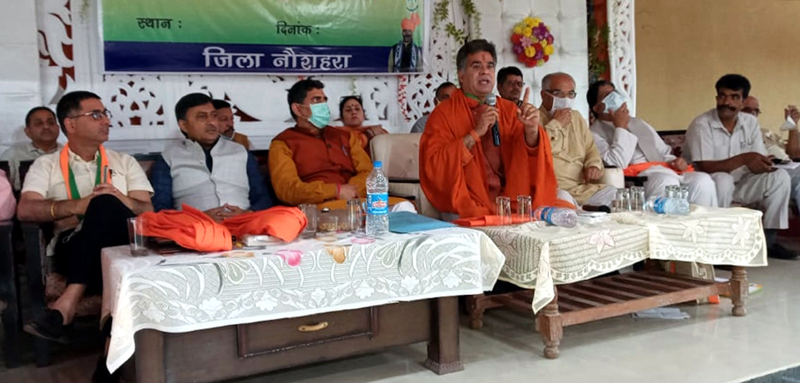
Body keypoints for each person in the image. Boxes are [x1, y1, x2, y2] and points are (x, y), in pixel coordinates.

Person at [17, 90, 154, 343]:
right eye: (96, 115)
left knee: (106, 201)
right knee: (101, 205)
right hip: (72, 246)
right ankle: (109, 359)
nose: (106, 121)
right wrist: (76, 206)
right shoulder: (46, 164)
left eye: (105, 114)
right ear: (70, 124)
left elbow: (147, 211)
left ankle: (66, 304)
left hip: (125, 246)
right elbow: (25, 209)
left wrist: (118, 198)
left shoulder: (124, 161)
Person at [419, 39, 572, 219]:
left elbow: (529, 155)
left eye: (490, 66)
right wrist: (474, 133)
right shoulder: (443, 113)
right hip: (467, 200)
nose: (485, 71)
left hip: (511, 199)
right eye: (476, 66)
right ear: (461, 75)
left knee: (566, 203)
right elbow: (434, 165)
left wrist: (531, 130)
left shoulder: (508, 110)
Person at [683, 74, 796, 260]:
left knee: (780, 177)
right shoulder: (702, 124)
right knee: (723, 178)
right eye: (722, 96)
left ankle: (768, 241)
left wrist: (763, 164)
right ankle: (719, 246)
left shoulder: (750, 122)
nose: (726, 102)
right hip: (708, 187)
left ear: (743, 102)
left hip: (742, 183)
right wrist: (745, 158)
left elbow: (755, 157)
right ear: (716, 98)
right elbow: (705, 166)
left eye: (734, 97)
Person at [587, 80, 717, 206]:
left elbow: (663, 152)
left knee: (703, 180)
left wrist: (677, 163)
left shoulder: (638, 122)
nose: (614, 97)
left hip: (665, 170)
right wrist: (620, 127)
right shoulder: (594, 133)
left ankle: (706, 226)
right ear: (597, 108)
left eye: (614, 92)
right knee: (667, 182)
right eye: (607, 95)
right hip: (637, 178)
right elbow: (616, 163)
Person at [151, 93, 272, 221]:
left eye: (214, 116)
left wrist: (247, 214)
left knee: (288, 217)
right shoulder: (169, 158)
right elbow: (160, 208)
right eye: (202, 117)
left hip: (244, 225)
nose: (211, 122)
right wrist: (198, 218)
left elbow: (263, 198)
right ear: (184, 125)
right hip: (196, 231)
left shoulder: (240, 151)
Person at [268, 78, 373, 209]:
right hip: (317, 210)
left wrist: (352, 190)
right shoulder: (283, 143)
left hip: (357, 203)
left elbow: (368, 172)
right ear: (298, 109)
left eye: (324, 100)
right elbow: (287, 190)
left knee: (402, 207)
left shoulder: (344, 136)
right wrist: (335, 191)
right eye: (316, 100)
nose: (323, 105)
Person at [538, 72, 615, 208]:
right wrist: (556, 124)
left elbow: (591, 149)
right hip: (553, 189)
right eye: (559, 94)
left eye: (571, 94)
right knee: (562, 198)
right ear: (544, 95)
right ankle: (580, 211)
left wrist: (593, 165)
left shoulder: (577, 118)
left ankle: (581, 210)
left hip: (580, 189)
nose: (566, 99)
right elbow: (539, 153)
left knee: (614, 193)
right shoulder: (533, 119)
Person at [743, 96, 800, 223]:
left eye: (756, 111)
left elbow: (794, 154)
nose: (752, 114)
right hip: (767, 173)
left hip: (790, 168)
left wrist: (793, 126)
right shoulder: (735, 133)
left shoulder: (765, 132)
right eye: (747, 110)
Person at [1, 106, 62, 190]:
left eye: (50, 123)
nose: (46, 127)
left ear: (58, 128)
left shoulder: (71, 153)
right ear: (28, 132)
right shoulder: (13, 155)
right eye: (38, 123)